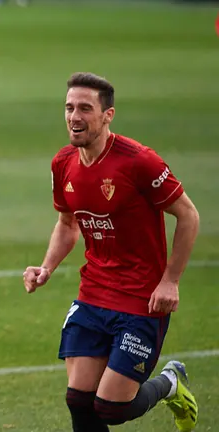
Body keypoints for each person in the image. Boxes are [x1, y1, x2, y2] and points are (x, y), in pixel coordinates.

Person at [23, 72, 200, 432]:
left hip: (140, 298)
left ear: (108, 115)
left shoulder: (139, 162)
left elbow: (188, 215)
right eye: (69, 107)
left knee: (110, 409)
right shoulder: (64, 163)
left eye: (85, 108)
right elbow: (68, 223)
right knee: (78, 401)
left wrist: (170, 281)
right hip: (94, 293)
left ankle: (169, 383)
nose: (75, 116)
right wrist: (47, 267)